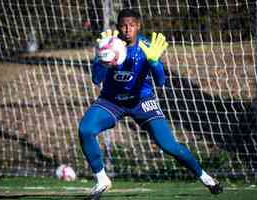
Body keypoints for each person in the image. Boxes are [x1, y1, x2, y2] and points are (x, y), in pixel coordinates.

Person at [79, 8, 223, 199]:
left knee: (168, 145)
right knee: (85, 130)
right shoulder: (109, 46)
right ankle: (102, 180)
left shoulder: (147, 46)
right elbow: (96, 80)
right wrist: (101, 61)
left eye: (131, 25)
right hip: (111, 101)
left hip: (142, 101)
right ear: (118, 27)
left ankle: (205, 177)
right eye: (123, 25)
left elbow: (161, 81)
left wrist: (154, 62)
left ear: (138, 26)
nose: (127, 29)